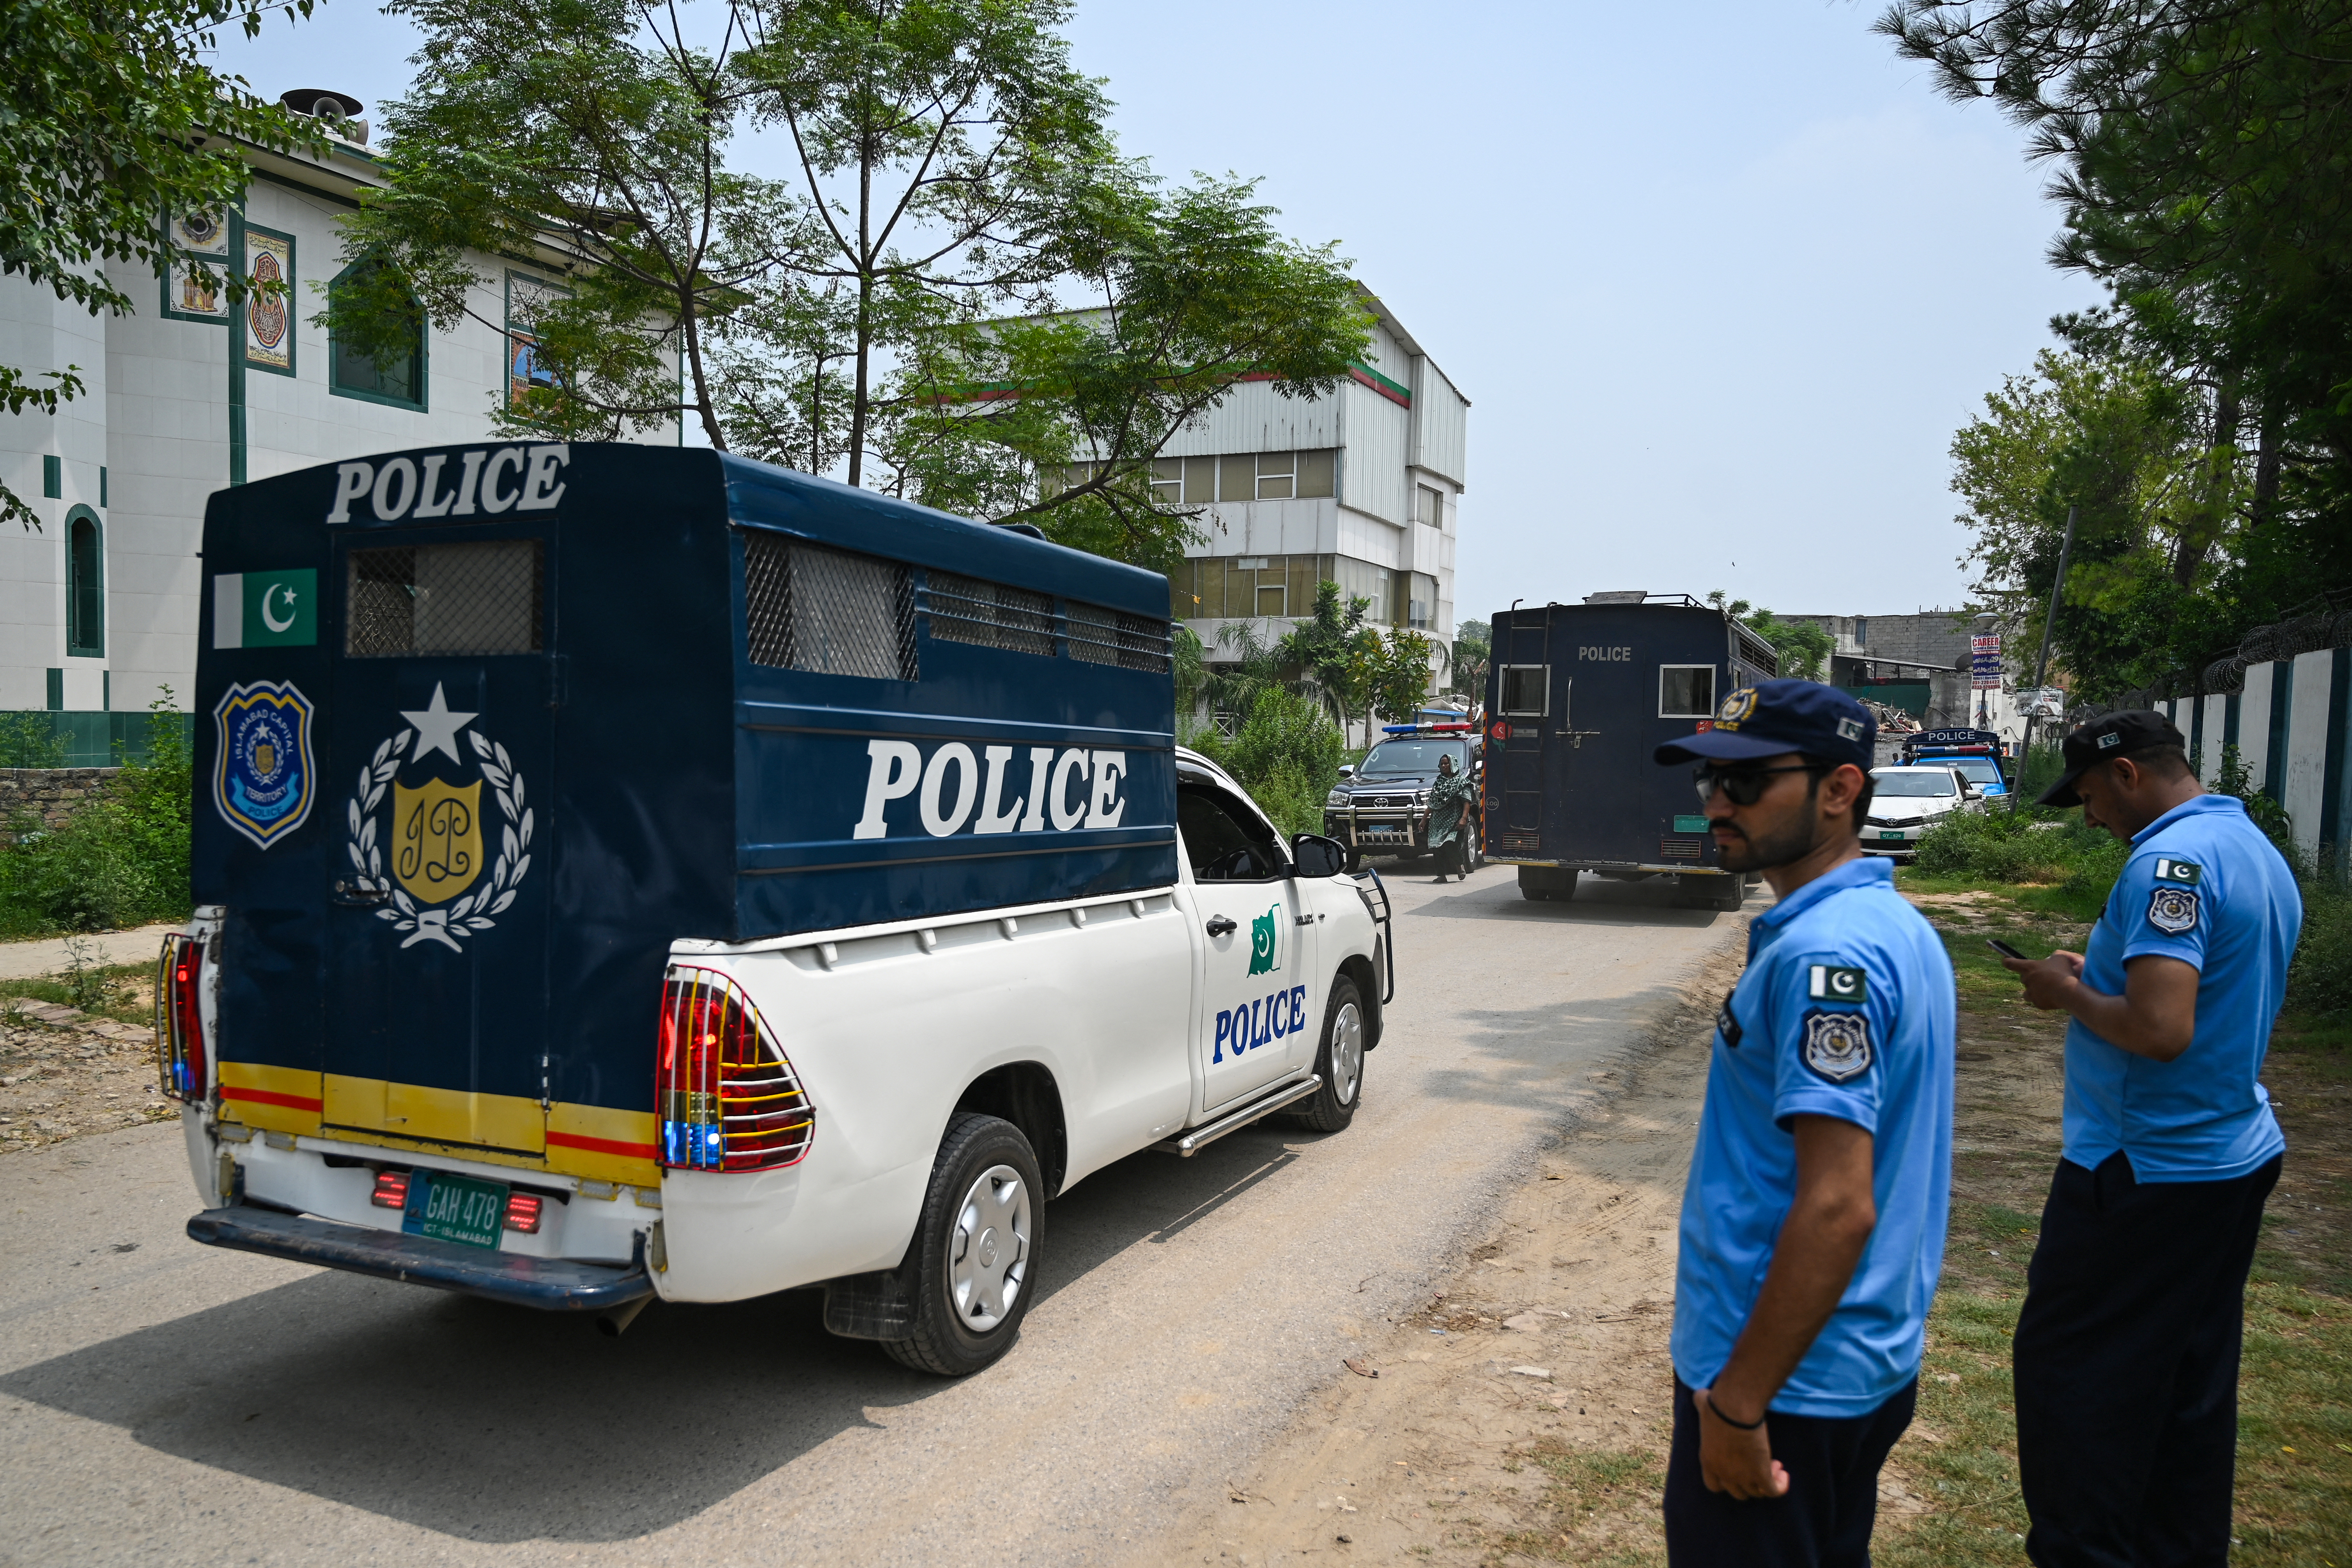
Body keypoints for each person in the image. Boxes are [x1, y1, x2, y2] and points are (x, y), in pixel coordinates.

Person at [1652, 679, 1955, 1567]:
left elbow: (1838, 1206)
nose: (1716, 801)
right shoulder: (1883, 922)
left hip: (1787, 1383)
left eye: (1746, 782)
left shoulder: (1833, 955)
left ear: (1840, 789)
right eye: (1709, 778)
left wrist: (1740, 1402)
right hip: (1840, 1364)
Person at [1997, 711, 2300, 1567]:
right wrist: (2094, 972)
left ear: (2127, 772)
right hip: (2228, 1149)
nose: (2089, 815)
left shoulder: (2170, 862)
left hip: (2145, 1168)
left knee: (2075, 1380)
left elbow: (2161, 1026)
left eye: (2090, 795)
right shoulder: (2251, 847)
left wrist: (2062, 993)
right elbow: (2206, 989)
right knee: (2186, 1385)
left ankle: (2085, 1551)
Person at [1427, 750, 1476, 884]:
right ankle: (1441, 876)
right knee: (1437, 848)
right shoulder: (1438, 782)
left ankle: (1459, 865)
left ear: (1452, 764)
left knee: (1450, 845)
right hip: (1437, 822)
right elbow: (1432, 802)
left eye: (1446, 764)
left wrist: (1464, 818)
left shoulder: (1461, 781)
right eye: (1442, 764)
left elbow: (1467, 801)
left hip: (1454, 821)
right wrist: (1423, 820)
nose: (1444, 766)